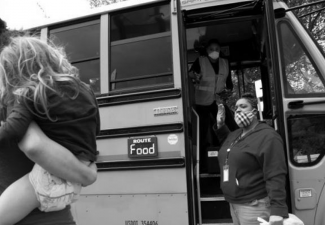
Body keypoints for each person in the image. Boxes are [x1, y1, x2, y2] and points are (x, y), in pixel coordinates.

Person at [0, 36, 100, 225]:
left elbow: (33, 144)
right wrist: (87, 165)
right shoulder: (83, 91)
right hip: (66, 199)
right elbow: (95, 128)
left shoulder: (26, 96)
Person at [214, 93, 288, 225]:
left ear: (254, 111)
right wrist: (220, 125)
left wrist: (277, 211)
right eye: (236, 107)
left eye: (243, 106)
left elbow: (275, 174)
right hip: (234, 204)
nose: (238, 110)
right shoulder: (236, 133)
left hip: (254, 206)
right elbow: (230, 147)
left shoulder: (268, 136)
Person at [189, 39, 237, 171]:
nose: (214, 51)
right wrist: (195, 77)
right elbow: (190, 75)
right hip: (202, 102)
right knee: (202, 131)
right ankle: (201, 163)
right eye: (211, 49)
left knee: (231, 125)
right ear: (206, 51)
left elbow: (229, 84)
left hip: (218, 101)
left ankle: (234, 153)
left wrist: (227, 93)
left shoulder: (225, 63)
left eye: (216, 48)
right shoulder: (201, 61)